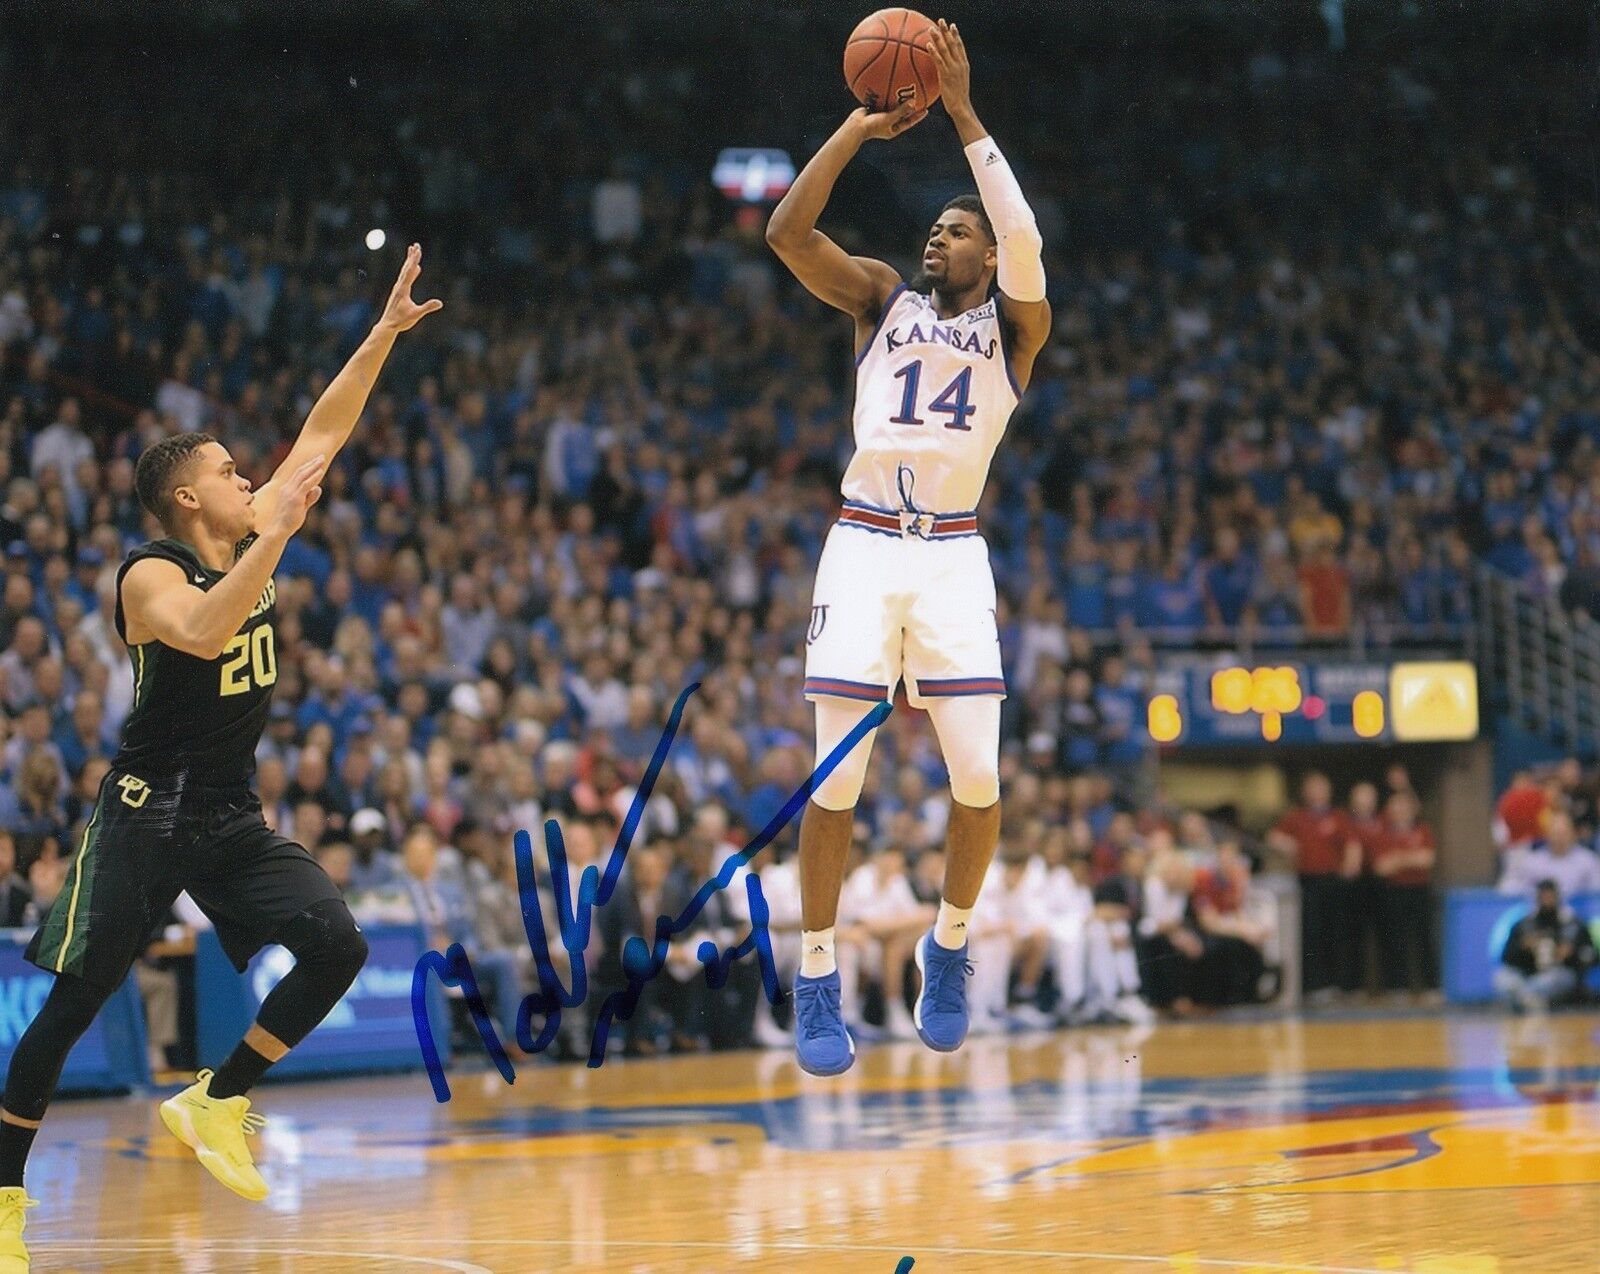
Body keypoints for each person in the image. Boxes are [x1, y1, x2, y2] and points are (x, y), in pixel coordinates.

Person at [0, 246, 440, 1268]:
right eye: (232, 474)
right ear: (192, 502)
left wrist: (381, 334)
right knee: (73, 1003)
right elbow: (202, 630)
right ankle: (3, 1200)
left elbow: (327, 425)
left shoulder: (253, 522)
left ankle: (216, 1094)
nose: (253, 478)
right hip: (144, 811)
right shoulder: (148, 574)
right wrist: (274, 537)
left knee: (337, 939)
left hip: (226, 807)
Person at [765, 21, 1051, 1074]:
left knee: (977, 777)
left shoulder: (1018, 329)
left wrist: (966, 117)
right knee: (834, 779)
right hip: (863, 542)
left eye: (956, 231)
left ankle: (950, 944)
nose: (939, 238)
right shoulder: (881, 297)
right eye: (933, 226)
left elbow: (1024, 241)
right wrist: (853, 128)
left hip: (951, 555)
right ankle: (817, 972)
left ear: (987, 256)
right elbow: (788, 237)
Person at [1494, 879, 1597, 1013]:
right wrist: (1523, 947)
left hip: (1557, 975)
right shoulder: (1523, 925)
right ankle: (1529, 1000)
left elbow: (1590, 955)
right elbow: (1505, 957)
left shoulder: (1573, 925)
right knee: (1503, 978)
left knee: (1559, 978)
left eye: (1550, 897)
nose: (1547, 901)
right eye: (1543, 897)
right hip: (1528, 974)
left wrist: (1571, 953)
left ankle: (1525, 999)